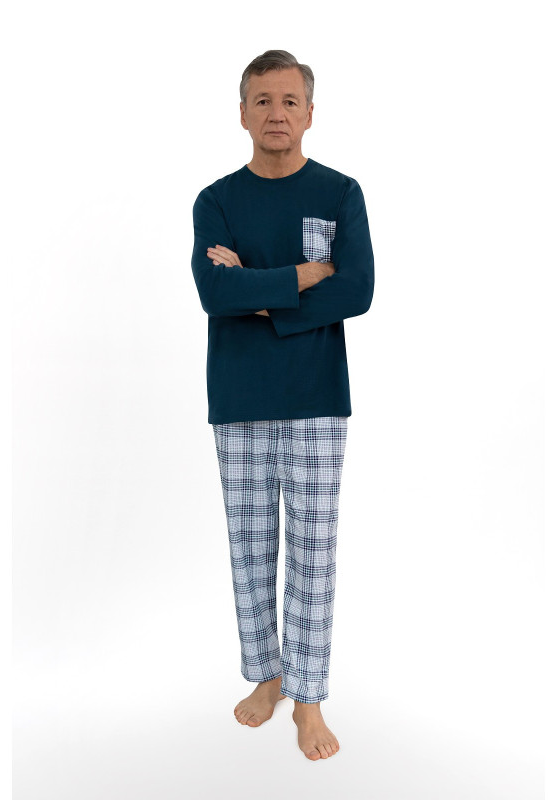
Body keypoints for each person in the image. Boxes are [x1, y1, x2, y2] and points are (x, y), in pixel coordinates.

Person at [190, 49, 374, 761]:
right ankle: (266, 676)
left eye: (289, 101)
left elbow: (357, 289)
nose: (276, 113)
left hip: (317, 397)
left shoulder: (340, 192)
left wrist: (260, 292)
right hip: (238, 396)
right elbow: (215, 293)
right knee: (251, 549)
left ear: (310, 113)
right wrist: (303, 276)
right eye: (262, 101)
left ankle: (309, 697)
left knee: (314, 553)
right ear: (242, 113)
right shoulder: (216, 201)